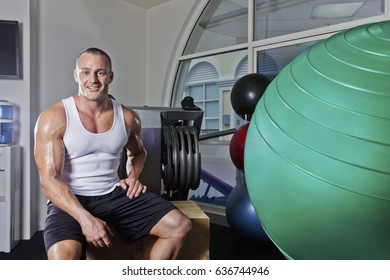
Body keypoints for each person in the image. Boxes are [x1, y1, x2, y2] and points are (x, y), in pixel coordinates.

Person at [34, 47, 192, 260]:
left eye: (100, 72)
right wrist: (85, 219)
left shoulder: (128, 117)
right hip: (71, 199)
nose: (93, 79)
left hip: (114, 193)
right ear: (76, 75)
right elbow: (48, 180)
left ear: (110, 76)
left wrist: (133, 176)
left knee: (179, 226)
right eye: (86, 72)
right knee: (62, 259)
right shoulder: (55, 116)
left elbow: (138, 153)